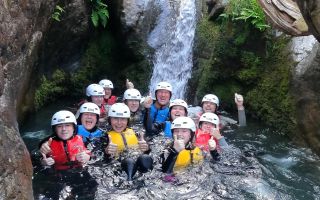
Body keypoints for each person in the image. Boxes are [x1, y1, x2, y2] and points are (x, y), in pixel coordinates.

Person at [104, 103, 153, 181]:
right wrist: (106, 152)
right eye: (115, 118)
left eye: (123, 119)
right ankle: (129, 181)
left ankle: (148, 179)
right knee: (129, 161)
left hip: (137, 163)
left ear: (127, 120)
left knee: (145, 158)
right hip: (119, 167)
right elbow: (101, 159)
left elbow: (148, 151)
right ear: (110, 120)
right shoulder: (105, 137)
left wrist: (146, 148)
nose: (119, 123)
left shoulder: (136, 133)